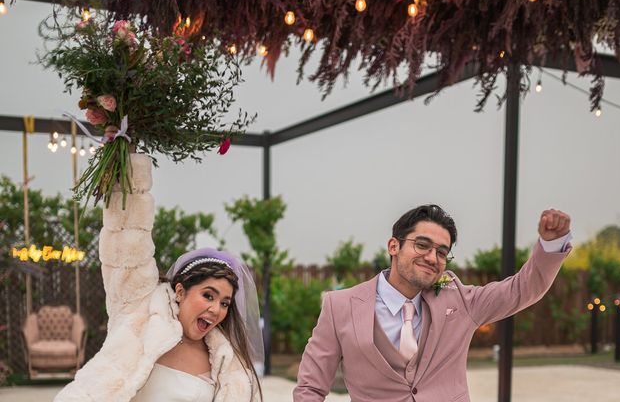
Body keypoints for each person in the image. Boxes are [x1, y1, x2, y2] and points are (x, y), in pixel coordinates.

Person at [294, 204, 572, 402]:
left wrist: (550, 245)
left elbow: (522, 290)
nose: (432, 257)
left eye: (442, 252)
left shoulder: (460, 300)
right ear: (394, 246)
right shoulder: (339, 306)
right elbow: (310, 387)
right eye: (422, 245)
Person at [54, 154, 263, 401]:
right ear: (180, 291)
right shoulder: (140, 314)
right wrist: (127, 158)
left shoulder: (227, 367)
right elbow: (127, 240)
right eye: (208, 295)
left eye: (225, 303)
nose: (217, 309)